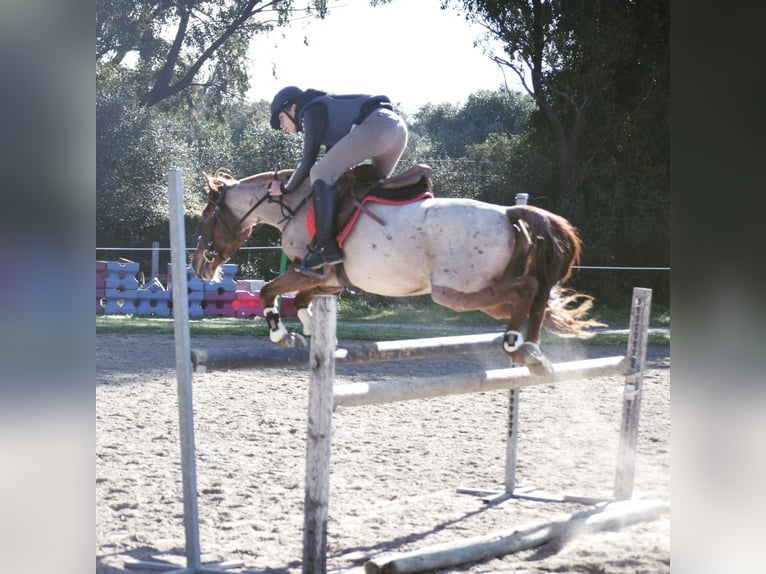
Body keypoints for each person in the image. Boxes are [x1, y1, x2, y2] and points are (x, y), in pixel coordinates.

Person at [267, 86, 409, 274]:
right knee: (369, 187)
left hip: (379, 126)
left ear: (293, 108)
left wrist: (284, 188)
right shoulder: (325, 112)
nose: (282, 126)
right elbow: (332, 162)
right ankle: (380, 243)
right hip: (397, 131)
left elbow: (309, 162)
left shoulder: (310, 110)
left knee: (318, 172)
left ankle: (325, 248)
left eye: (281, 118)